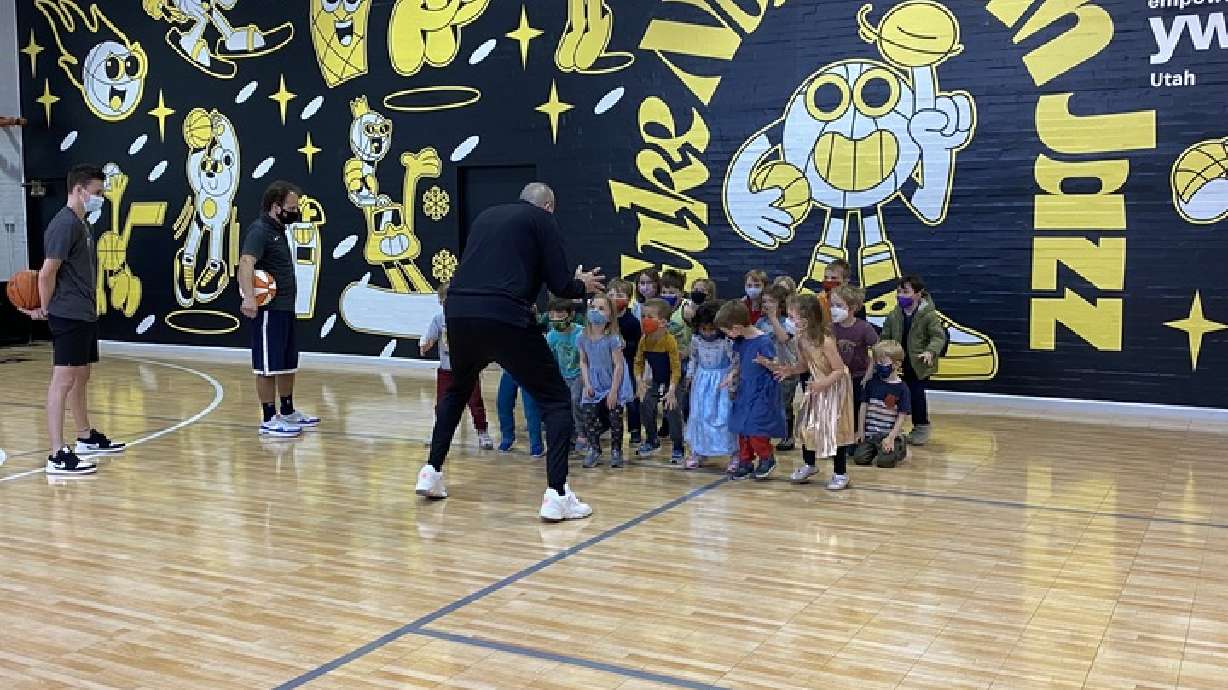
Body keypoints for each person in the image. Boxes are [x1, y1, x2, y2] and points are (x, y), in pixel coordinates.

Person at [416, 183, 604, 522]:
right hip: (504, 314)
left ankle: (431, 471)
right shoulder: (542, 220)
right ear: (548, 206)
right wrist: (582, 285)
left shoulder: (486, 216)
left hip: (458, 312)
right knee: (555, 399)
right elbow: (560, 285)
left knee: (458, 390)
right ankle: (558, 494)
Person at [17, 164, 126, 476]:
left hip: (83, 312)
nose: (100, 198)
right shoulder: (64, 224)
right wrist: (45, 308)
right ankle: (56, 454)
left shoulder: (81, 223)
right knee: (63, 380)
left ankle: (85, 436)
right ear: (79, 190)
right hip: (67, 313)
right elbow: (47, 272)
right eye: (97, 192)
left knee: (81, 376)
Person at [238, 180, 320, 437]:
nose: (295, 212)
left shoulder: (278, 230)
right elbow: (246, 263)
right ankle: (268, 418)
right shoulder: (259, 231)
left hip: (285, 308)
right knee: (267, 365)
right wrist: (249, 298)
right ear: (276, 207)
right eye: (291, 208)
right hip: (268, 311)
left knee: (286, 363)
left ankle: (287, 411)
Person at [765, 294, 855, 490]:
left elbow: (839, 370)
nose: (789, 321)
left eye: (792, 316)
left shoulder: (826, 341)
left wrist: (823, 384)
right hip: (817, 384)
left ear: (807, 318)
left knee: (834, 429)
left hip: (834, 386)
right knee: (807, 426)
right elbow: (805, 365)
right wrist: (790, 370)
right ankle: (809, 464)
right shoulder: (800, 339)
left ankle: (840, 473)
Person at [803, 284, 880, 482]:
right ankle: (819, 457)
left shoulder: (864, 328)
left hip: (855, 378)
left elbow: (878, 350)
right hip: (832, 382)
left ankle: (849, 448)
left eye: (838, 305)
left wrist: (868, 374)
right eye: (832, 305)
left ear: (851, 308)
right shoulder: (829, 329)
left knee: (848, 417)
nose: (833, 309)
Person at [716, 300, 785, 479]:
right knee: (741, 426)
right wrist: (732, 374)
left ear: (736, 327)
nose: (727, 336)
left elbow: (777, 367)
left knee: (756, 428)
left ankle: (766, 457)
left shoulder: (763, 341)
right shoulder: (741, 341)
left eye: (727, 331)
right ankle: (745, 460)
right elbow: (741, 362)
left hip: (761, 391)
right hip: (745, 389)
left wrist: (766, 362)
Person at [421, 282, 494, 450]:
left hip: (467, 370)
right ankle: (438, 433)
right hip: (446, 371)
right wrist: (426, 344)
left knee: (475, 402)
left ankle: (482, 432)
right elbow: (430, 337)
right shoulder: (438, 319)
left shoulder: (467, 318)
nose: (446, 305)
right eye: (442, 301)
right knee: (442, 404)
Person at [879, 274, 945, 446]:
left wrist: (930, 352)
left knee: (916, 396)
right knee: (892, 396)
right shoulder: (894, 315)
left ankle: (921, 426)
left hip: (918, 365)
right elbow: (885, 336)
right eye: (899, 292)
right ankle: (891, 428)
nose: (901, 295)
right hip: (897, 364)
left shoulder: (929, 315)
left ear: (918, 294)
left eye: (906, 292)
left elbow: (938, 337)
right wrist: (882, 351)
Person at [578, 293, 634, 468]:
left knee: (615, 418)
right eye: (593, 307)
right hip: (592, 382)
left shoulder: (612, 339)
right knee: (588, 416)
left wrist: (614, 391)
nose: (596, 311)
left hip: (612, 382)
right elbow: (583, 361)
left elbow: (619, 365)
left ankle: (616, 450)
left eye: (601, 309)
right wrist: (587, 384)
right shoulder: (582, 337)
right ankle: (594, 449)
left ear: (610, 315)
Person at [683, 301, 736, 470]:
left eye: (712, 329)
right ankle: (698, 451)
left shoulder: (726, 342)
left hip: (721, 383)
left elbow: (734, 361)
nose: (707, 333)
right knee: (699, 415)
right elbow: (693, 358)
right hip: (702, 382)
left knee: (724, 416)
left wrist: (732, 379)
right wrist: (689, 375)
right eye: (703, 329)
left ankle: (734, 454)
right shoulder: (696, 340)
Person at [634, 298, 683, 461]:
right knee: (645, 403)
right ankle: (651, 440)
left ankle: (678, 446)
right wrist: (639, 381)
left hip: (673, 381)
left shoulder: (670, 341)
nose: (644, 320)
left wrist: (672, 391)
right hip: (656, 380)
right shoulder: (644, 340)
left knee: (672, 409)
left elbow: (676, 368)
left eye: (649, 317)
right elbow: (638, 362)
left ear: (662, 322)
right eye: (643, 316)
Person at [852, 340, 911, 468]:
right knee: (860, 458)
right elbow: (863, 407)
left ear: (896, 364)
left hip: (888, 434)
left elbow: (902, 415)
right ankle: (875, 449)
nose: (879, 365)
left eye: (883, 362)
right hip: (871, 434)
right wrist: (861, 431)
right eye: (877, 362)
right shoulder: (871, 383)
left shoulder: (902, 388)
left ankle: (899, 445)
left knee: (885, 462)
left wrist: (891, 437)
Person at [758, 284, 799, 451]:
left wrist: (773, 318)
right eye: (764, 301)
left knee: (784, 404)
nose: (767, 305)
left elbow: (783, 338)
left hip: (786, 369)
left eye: (771, 301)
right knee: (768, 403)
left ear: (781, 304)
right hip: (766, 369)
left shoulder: (787, 322)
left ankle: (787, 436)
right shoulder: (761, 322)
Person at [545, 296, 585, 452]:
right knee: (563, 405)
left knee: (576, 399)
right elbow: (550, 359)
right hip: (562, 376)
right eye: (552, 315)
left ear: (571, 315)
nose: (556, 319)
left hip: (579, 374)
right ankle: (568, 436)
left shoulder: (581, 333)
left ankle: (582, 433)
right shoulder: (551, 336)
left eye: (560, 315)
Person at [608, 278, 643, 446]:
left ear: (629, 299)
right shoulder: (605, 318)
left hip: (627, 362)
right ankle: (609, 426)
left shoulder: (632, 322)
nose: (615, 298)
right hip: (609, 363)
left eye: (620, 295)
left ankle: (635, 430)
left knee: (631, 398)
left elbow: (637, 345)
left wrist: (625, 345)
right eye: (612, 294)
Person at [496, 371, 543, 456]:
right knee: (503, 404)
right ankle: (507, 438)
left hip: (529, 372)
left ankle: (536, 444)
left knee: (531, 410)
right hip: (509, 371)